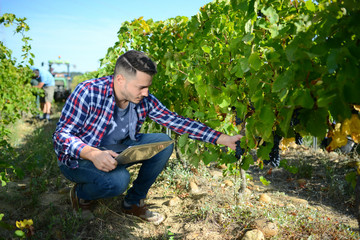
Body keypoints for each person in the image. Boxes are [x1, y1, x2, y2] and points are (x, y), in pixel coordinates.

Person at [53, 50, 242, 224]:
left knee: (163, 142)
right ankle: (81, 195)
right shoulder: (89, 92)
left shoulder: (143, 99)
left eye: (148, 87)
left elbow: (176, 121)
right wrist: (93, 154)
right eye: (141, 87)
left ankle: (133, 203)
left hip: (116, 153)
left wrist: (222, 138)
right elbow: (61, 136)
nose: (146, 93)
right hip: (80, 160)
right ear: (120, 80)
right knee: (119, 181)